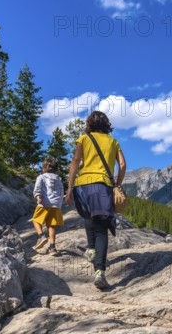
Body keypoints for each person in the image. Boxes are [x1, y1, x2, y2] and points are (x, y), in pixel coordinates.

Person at [65, 111, 126, 289]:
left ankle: (91, 249)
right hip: (102, 185)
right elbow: (122, 165)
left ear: (89, 124)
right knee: (101, 228)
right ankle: (100, 271)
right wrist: (117, 183)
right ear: (106, 124)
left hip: (82, 185)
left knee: (89, 217)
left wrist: (69, 188)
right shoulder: (113, 141)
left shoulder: (83, 139)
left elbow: (75, 162)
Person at [32, 158, 65, 256]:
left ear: (43, 168)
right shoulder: (59, 179)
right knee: (51, 226)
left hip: (44, 203)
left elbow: (37, 188)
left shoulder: (41, 177)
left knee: (35, 220)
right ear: (55, 169)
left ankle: (41, 236)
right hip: (56, 205)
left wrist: (38, 197)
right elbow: (61, 191)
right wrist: (59, 203)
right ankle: (52, 248)